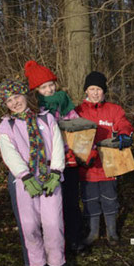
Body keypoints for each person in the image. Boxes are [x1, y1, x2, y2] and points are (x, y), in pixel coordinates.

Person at [0, 79, 71, 266]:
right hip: (25, 180)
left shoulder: (46, 119)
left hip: (50, 176)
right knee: (29, 224)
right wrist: (25, 175)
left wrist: (56, 172)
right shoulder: (7, 126)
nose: (14, 103)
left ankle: (57, 260)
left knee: (53, 221)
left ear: (25, 96)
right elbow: (9, 153)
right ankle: (37, 263)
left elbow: (57, 145)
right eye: (9, 101)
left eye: (16, 97)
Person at [24, 60, 84, 254]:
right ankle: (52, 245)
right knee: (49, 207)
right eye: (44, 87)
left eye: (51, 85)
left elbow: (74, 120)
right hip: (45, 161)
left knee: (71, 201)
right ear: (36, 90)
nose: (49, 90)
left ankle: (74, 240)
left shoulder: (62, 99)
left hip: (68, 156)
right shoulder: (33, 107)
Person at [75, 71, 134, 246]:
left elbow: (124, 123)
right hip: (87, 165)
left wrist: (124, 134)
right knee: (90, 199)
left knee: (110, 198)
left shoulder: (113, 109)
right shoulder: (78, 111)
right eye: (91, 89)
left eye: (98, 89)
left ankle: (112, 232)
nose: (95, 93)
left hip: (109, 163)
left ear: (104, 91)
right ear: (86, 91)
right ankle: (93, 232)